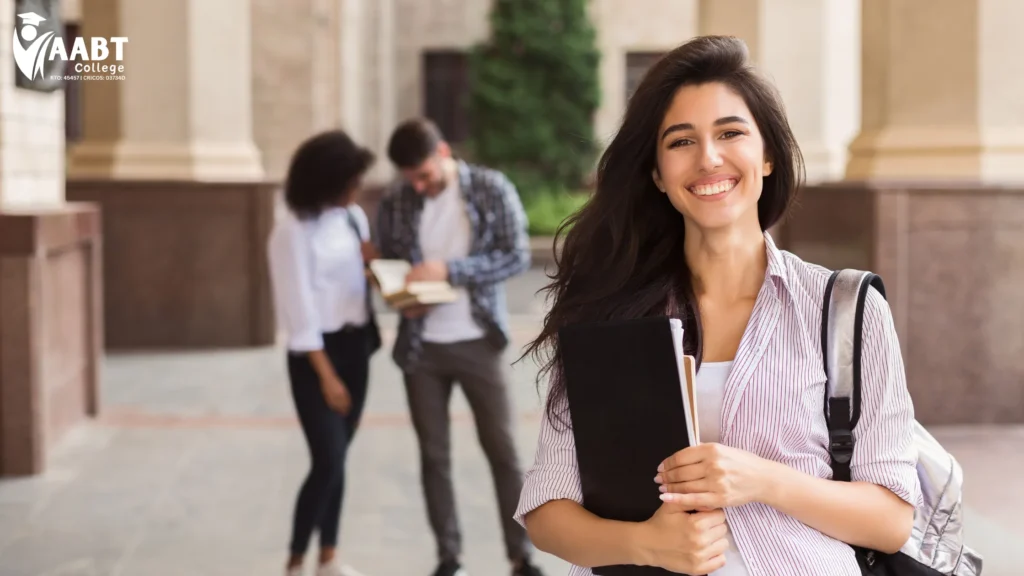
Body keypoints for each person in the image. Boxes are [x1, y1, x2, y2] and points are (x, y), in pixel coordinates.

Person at [514, 35, 920, 576]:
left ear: (768, 155)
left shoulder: (844, 307)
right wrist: (646, 545)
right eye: (681, 142)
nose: (708, 158)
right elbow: (547, 511)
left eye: (730, 133)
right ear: (657, 173)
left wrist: (764, 480)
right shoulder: (610, 312)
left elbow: (892, 519)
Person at [375, 118, 545, 576]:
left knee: (504, 452)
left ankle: (521, 556)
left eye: (425, 175)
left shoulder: (490, 188)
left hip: (478, 341)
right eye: (411, 178)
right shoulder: (396, 200)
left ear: (444, 153)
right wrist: (400, 296)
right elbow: (389, 264)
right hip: (420, 349)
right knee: (434, 456)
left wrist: (451, 271)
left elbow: (516, 254)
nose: (419, 186)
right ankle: (449, 559)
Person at [267, 130, 382, 576]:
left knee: (340, 457)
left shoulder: (352, 217)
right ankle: (296, 561)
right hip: (316, 356)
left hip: (356, 348)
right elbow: (299, 314)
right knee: (328, 458)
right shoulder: (291, 231)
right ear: (324, 181)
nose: (355, 191)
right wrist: (327, 377)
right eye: (348, 182)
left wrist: (374, 267)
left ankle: (328, 557)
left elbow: (359, 285)